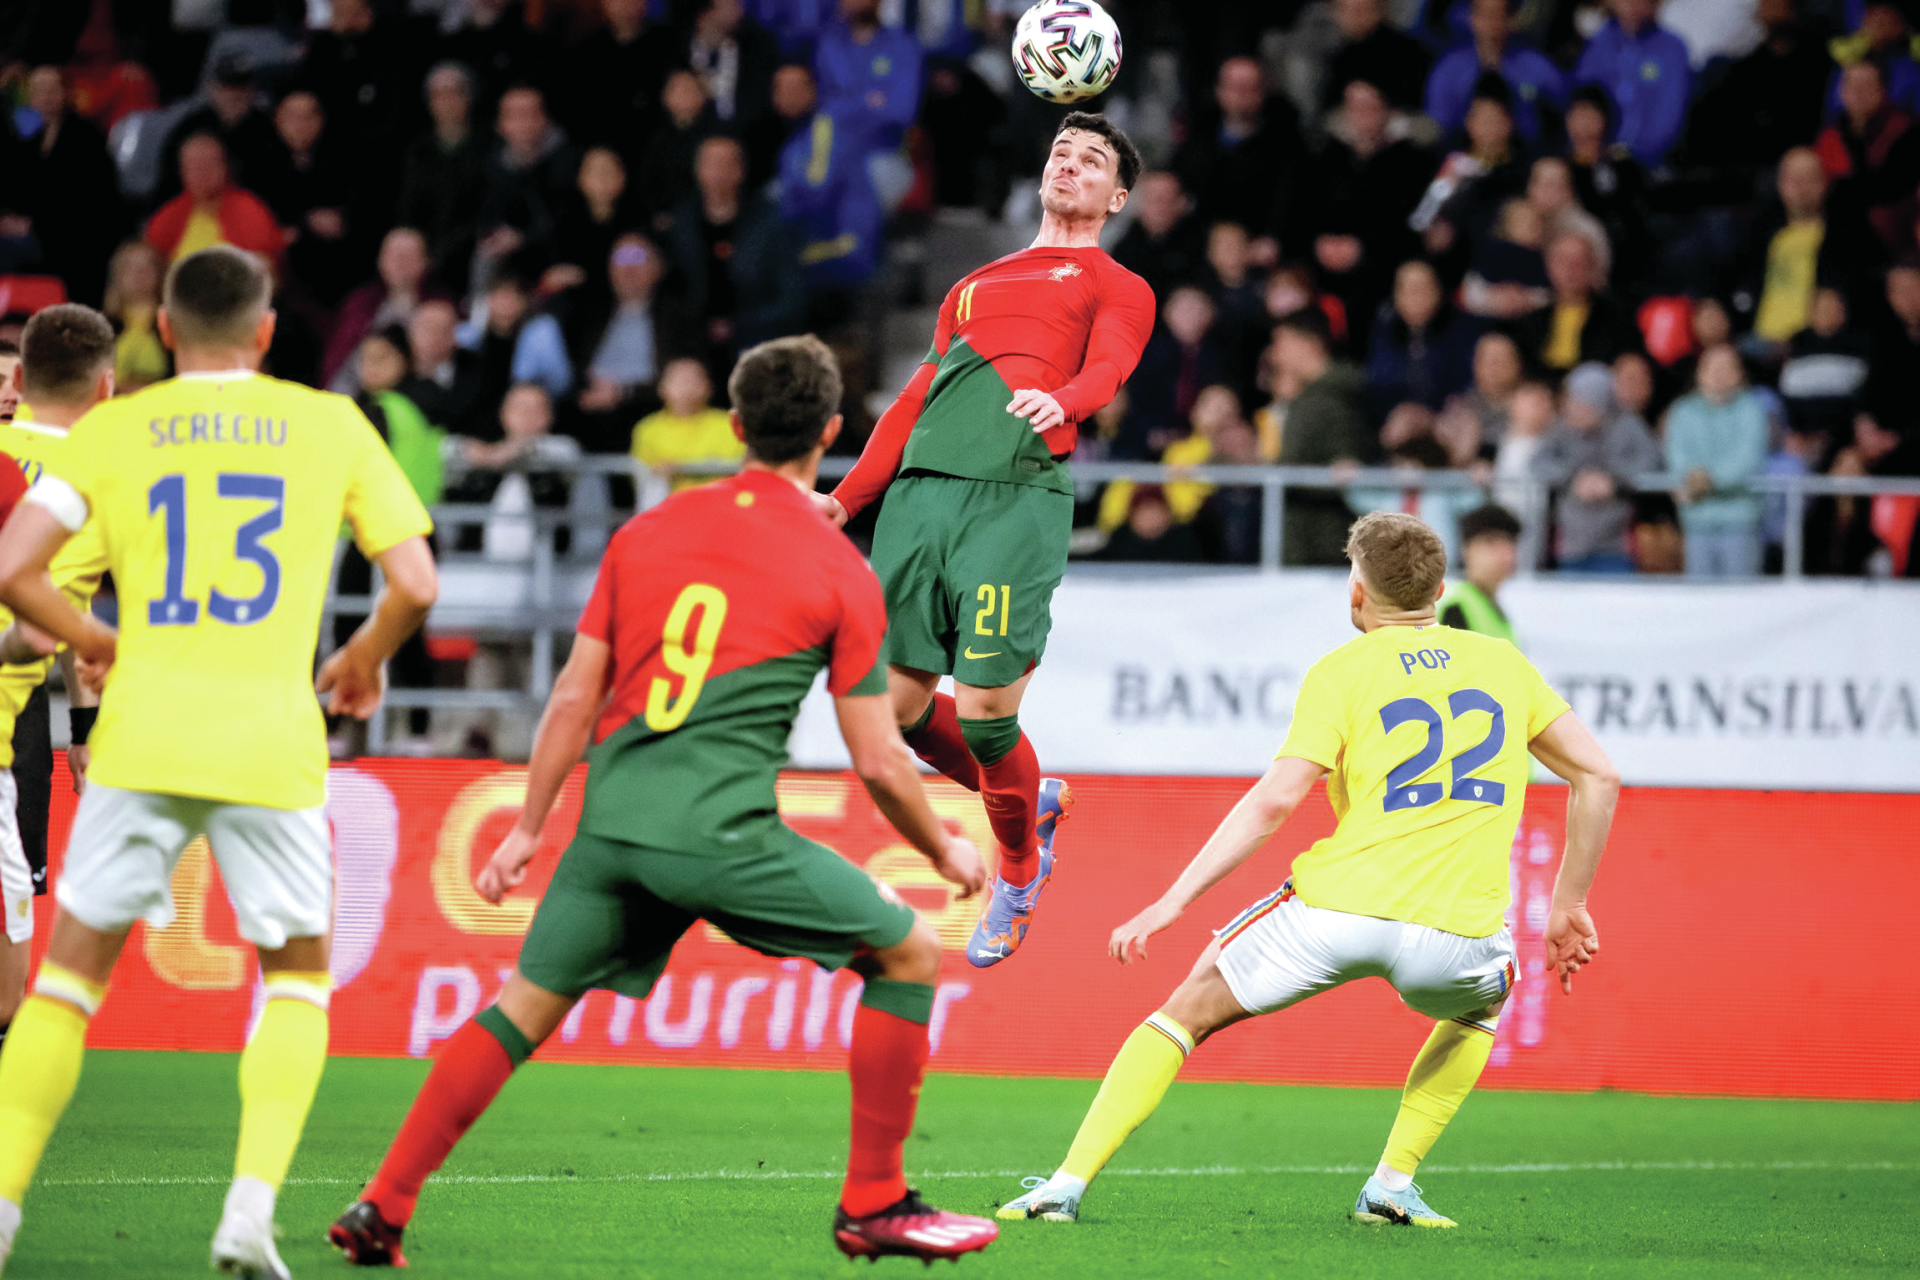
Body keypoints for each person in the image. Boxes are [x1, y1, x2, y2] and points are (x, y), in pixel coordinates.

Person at [328, 335, 997, 1268]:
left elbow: (570, 697)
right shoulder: (840, 566)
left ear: (733, 427)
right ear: (833, 433)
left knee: (518, 1010)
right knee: (911, 951)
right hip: (718, 832)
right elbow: (880, 757)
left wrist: (529, 827)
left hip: (609, 826)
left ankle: (382, 1206)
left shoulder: (647, 534)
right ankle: (875, 1201)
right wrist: (944, 849)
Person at [0, 246, 438, 1278]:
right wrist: (363, 656)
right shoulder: (329, 424)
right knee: (295, 977)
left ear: (161, 323)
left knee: (67, 982)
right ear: (268, 331)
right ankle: (247, 1211)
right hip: (271, 738)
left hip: (144, 730)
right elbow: (414, 578)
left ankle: (5, 1207)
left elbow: (13, 565)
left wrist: (92, 638)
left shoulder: (116, 427)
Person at [996, 511, 1616, 1228]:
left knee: (1185, 1011)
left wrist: (1172, 901)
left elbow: (1275, 802)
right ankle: (1391, 1184)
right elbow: (1598, 778)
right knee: (1480, 1006)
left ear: (1357, 594)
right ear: (1442, 591)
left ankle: (1064, 1188)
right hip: (1459, 934)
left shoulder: (1341, 670)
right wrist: (1567, 903)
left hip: (1337, 912)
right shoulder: (1504, 664)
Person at [816, 112, 1154, 966]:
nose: (1069, 164)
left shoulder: (1117, 282)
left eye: (1092, 160)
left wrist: (1067, 402)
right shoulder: (972, 285)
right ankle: (1029, 802)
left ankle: (1016, 868)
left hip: (1014, 500)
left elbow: (1112, 363)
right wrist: (849, 501)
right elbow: (911, 399)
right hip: (918, 505)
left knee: (988, 717)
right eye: (1060, 151)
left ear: (1116, 196)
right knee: (883, 716)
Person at [0, 305, 116, 1056]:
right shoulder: (109, 481)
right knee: (12, 959)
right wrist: (86, 731)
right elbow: (75, 627)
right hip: (14, 720)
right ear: (105, 388)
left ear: (18, 378)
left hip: (15, 723)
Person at [1532, 361, 1661, 572]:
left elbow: (1652, 462)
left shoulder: (1628, 424)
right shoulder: (1562, 428)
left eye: (1582, 404)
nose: (1574, 410)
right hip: (1572, 544)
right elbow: (1538, 463)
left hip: (1617, 544)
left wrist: (1614, 481)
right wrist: (1574, 479)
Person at [1665, 344, 1768, 577]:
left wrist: (1710, 479)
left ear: (1739, 375)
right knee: (1699, 605)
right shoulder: (1683, 411)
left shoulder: (1752, 409)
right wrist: (1693, 476)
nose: (1719, 374)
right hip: (1696, 520)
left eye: (1726, 368)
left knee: (1740, 604)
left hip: (1740, 520)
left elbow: (1749, 458)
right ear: (1700, 373)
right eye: (1712, 367)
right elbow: (1676, 454)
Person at [1425, 0, 1566, 144]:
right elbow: (1438, 126)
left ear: (1512, 19)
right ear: (1472, 18)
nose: (1490, 24)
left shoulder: (1538, 67)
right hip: (1467, 155)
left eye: (1498, 15)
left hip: (1526, 155)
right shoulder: (1449, 69)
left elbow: (1565, 112)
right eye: (1484, 15)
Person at [1573, 0, 1691, 166]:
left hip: (1651, 164)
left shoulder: (1672, 48)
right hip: (1599, 159)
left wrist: (1636, 154)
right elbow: (1582, 106)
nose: (1632, 5)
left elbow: (1670, 113)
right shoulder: (1599, 44)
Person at [144, 134, 284, 271]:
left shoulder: (249, 210)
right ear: (182, 172)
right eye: (193, 167)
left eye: (209, 164)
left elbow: (269, 267)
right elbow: (150, 260)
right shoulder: (171, 214)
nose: (202, 173)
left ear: (225, 168)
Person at [631, 356, 742, 489]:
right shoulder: (647, 428)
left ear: (709, 387)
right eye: (679, 381)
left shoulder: (729, 423)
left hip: (718, 503)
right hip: (667, 505)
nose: (687, 387)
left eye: (694, 380)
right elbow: (639, 476)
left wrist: (682, 469)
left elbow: (739, 470)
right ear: (661, 388)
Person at [1440, 504, 1523, 641]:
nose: (1503, 552)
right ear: (1466, 549)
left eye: (1509, 542)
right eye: (1490, 542)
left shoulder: (1491, 605)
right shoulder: (1456, 609)